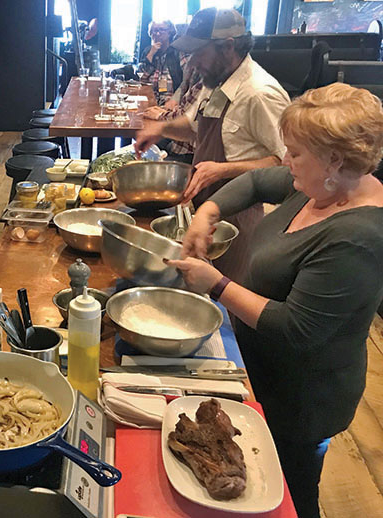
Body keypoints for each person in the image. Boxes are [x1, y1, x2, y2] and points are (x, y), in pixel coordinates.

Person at [166, 83, 383, 518]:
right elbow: (254, 181)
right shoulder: (322, 182)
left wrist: (215, 283)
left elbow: (296, 328)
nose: (286, 161)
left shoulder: (358, 237)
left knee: (290, 492)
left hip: (303, 395)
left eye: (295, 153)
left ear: (335, 159)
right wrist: (208, 214)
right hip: (262, 368)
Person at [135, 7, 290, 283]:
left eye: (199, 53)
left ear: (227, 47)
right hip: (206, 208)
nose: (192, 63)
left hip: (241, 220)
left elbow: (287, 165)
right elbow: (194, 127)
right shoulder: (216, 81)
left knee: (230, 302)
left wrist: (222, 170)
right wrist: (162, 128)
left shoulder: (260, 93)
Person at [139, 20, 184, 105]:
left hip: (171, 102)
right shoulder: (147, 51)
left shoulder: (177, 52)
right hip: (148, 100)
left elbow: (186, 81)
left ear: (169, 33)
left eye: (161, 30)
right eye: (154, 31)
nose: (158, 34)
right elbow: (141, 78)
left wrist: (175, 100)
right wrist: (151, 55)